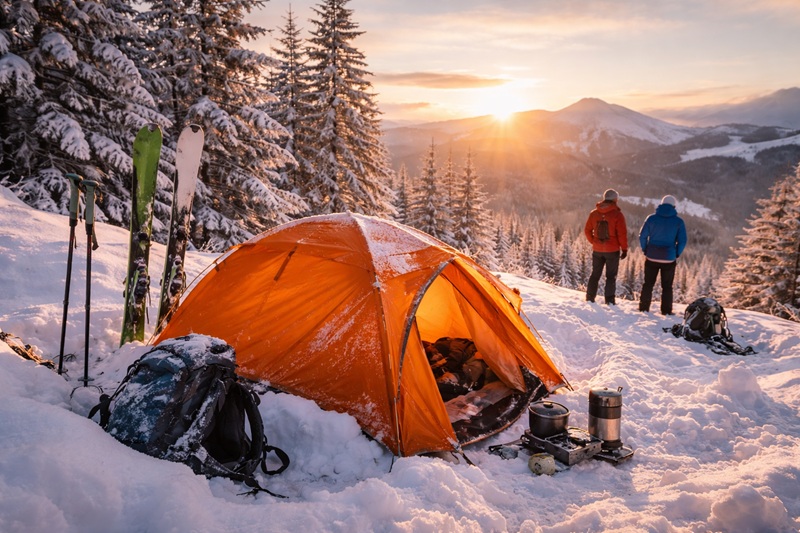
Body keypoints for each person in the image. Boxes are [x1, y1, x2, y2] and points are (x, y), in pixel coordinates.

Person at [638, 195, 687, 315]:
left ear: (661, 204)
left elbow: (642, 236)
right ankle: (666, 311)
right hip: (669, 258)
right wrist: (676, 253)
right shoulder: (678, 222)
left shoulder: (651, 218)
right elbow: (682, 241)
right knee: (667, 286)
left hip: (652, 256)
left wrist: (645, 249)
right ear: (674, 206)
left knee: (648, 283)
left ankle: (644, 308)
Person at [584, 188, 628, 304]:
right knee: (611, 276)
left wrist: (594, 242)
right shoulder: (617, 215)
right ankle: (609, 300)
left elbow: (587, 230)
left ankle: (590, 297)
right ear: (615, 200)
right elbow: (622, 234)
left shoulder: (594, 213)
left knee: (595, 274)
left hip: (597, 250)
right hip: (612, 250)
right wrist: (624, 249)